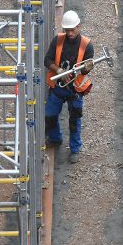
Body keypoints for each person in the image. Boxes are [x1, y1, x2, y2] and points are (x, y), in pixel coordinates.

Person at [44, 10, 94, 163]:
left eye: (72, 30)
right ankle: (55, 138)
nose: (70, 33)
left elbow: (86, 69)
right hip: (58, 88)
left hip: (75, 91)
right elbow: (48, 60)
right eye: (67, 30)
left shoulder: (86, 45)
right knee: (50, 116)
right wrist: (58, 70)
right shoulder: (58, 40)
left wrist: (87, 68)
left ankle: (75, 149)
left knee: (74, 120)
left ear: (78, 26)